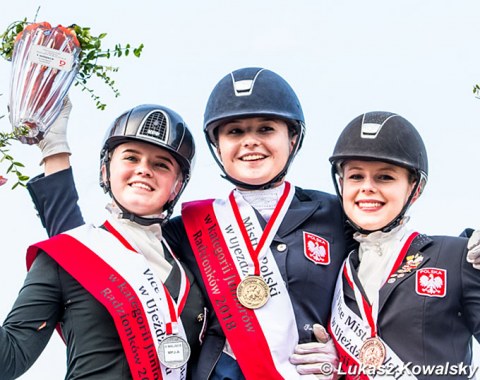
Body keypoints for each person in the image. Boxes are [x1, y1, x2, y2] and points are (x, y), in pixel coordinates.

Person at [25, 67, 350, 379]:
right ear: (218, 145)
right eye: (235, 131)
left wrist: (344, 358)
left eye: (266, 129)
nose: (250, 141)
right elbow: (89, 255)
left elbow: (382, 305)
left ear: (292, 139)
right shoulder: (190, 228)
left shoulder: (336, 215)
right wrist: (55, 151)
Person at [0, 102, 208, 379]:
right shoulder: (66, 257)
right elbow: (8, 360)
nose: (144, 170)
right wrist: (54, 150)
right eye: (131, 158)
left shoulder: (195, 267)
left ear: (177, 187)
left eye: (161, 164)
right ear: (105, 171)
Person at [327, 111, 480, 379]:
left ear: (415, 188)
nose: (367, 188)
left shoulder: (457, 257)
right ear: (341, 184)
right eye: (355, 177)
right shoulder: (335, 270)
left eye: (385, 177)